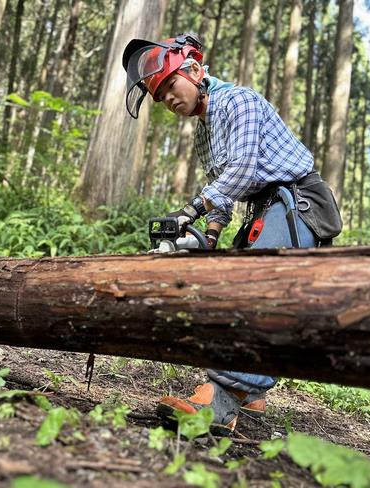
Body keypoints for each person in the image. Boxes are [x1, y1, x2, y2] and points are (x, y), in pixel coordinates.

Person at [122, 34, 343, 434]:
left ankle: (221, 400)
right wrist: (208, 234)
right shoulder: (204, 131)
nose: (169, 99)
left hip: (297, 203)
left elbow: (241, 170)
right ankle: (251, 394)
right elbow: (224, 192)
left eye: (171, 85)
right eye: (160, 96)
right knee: (237, 292)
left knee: (262, 297)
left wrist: (190, 209)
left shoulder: (239, 101)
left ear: (194, 70)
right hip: (263, 207)